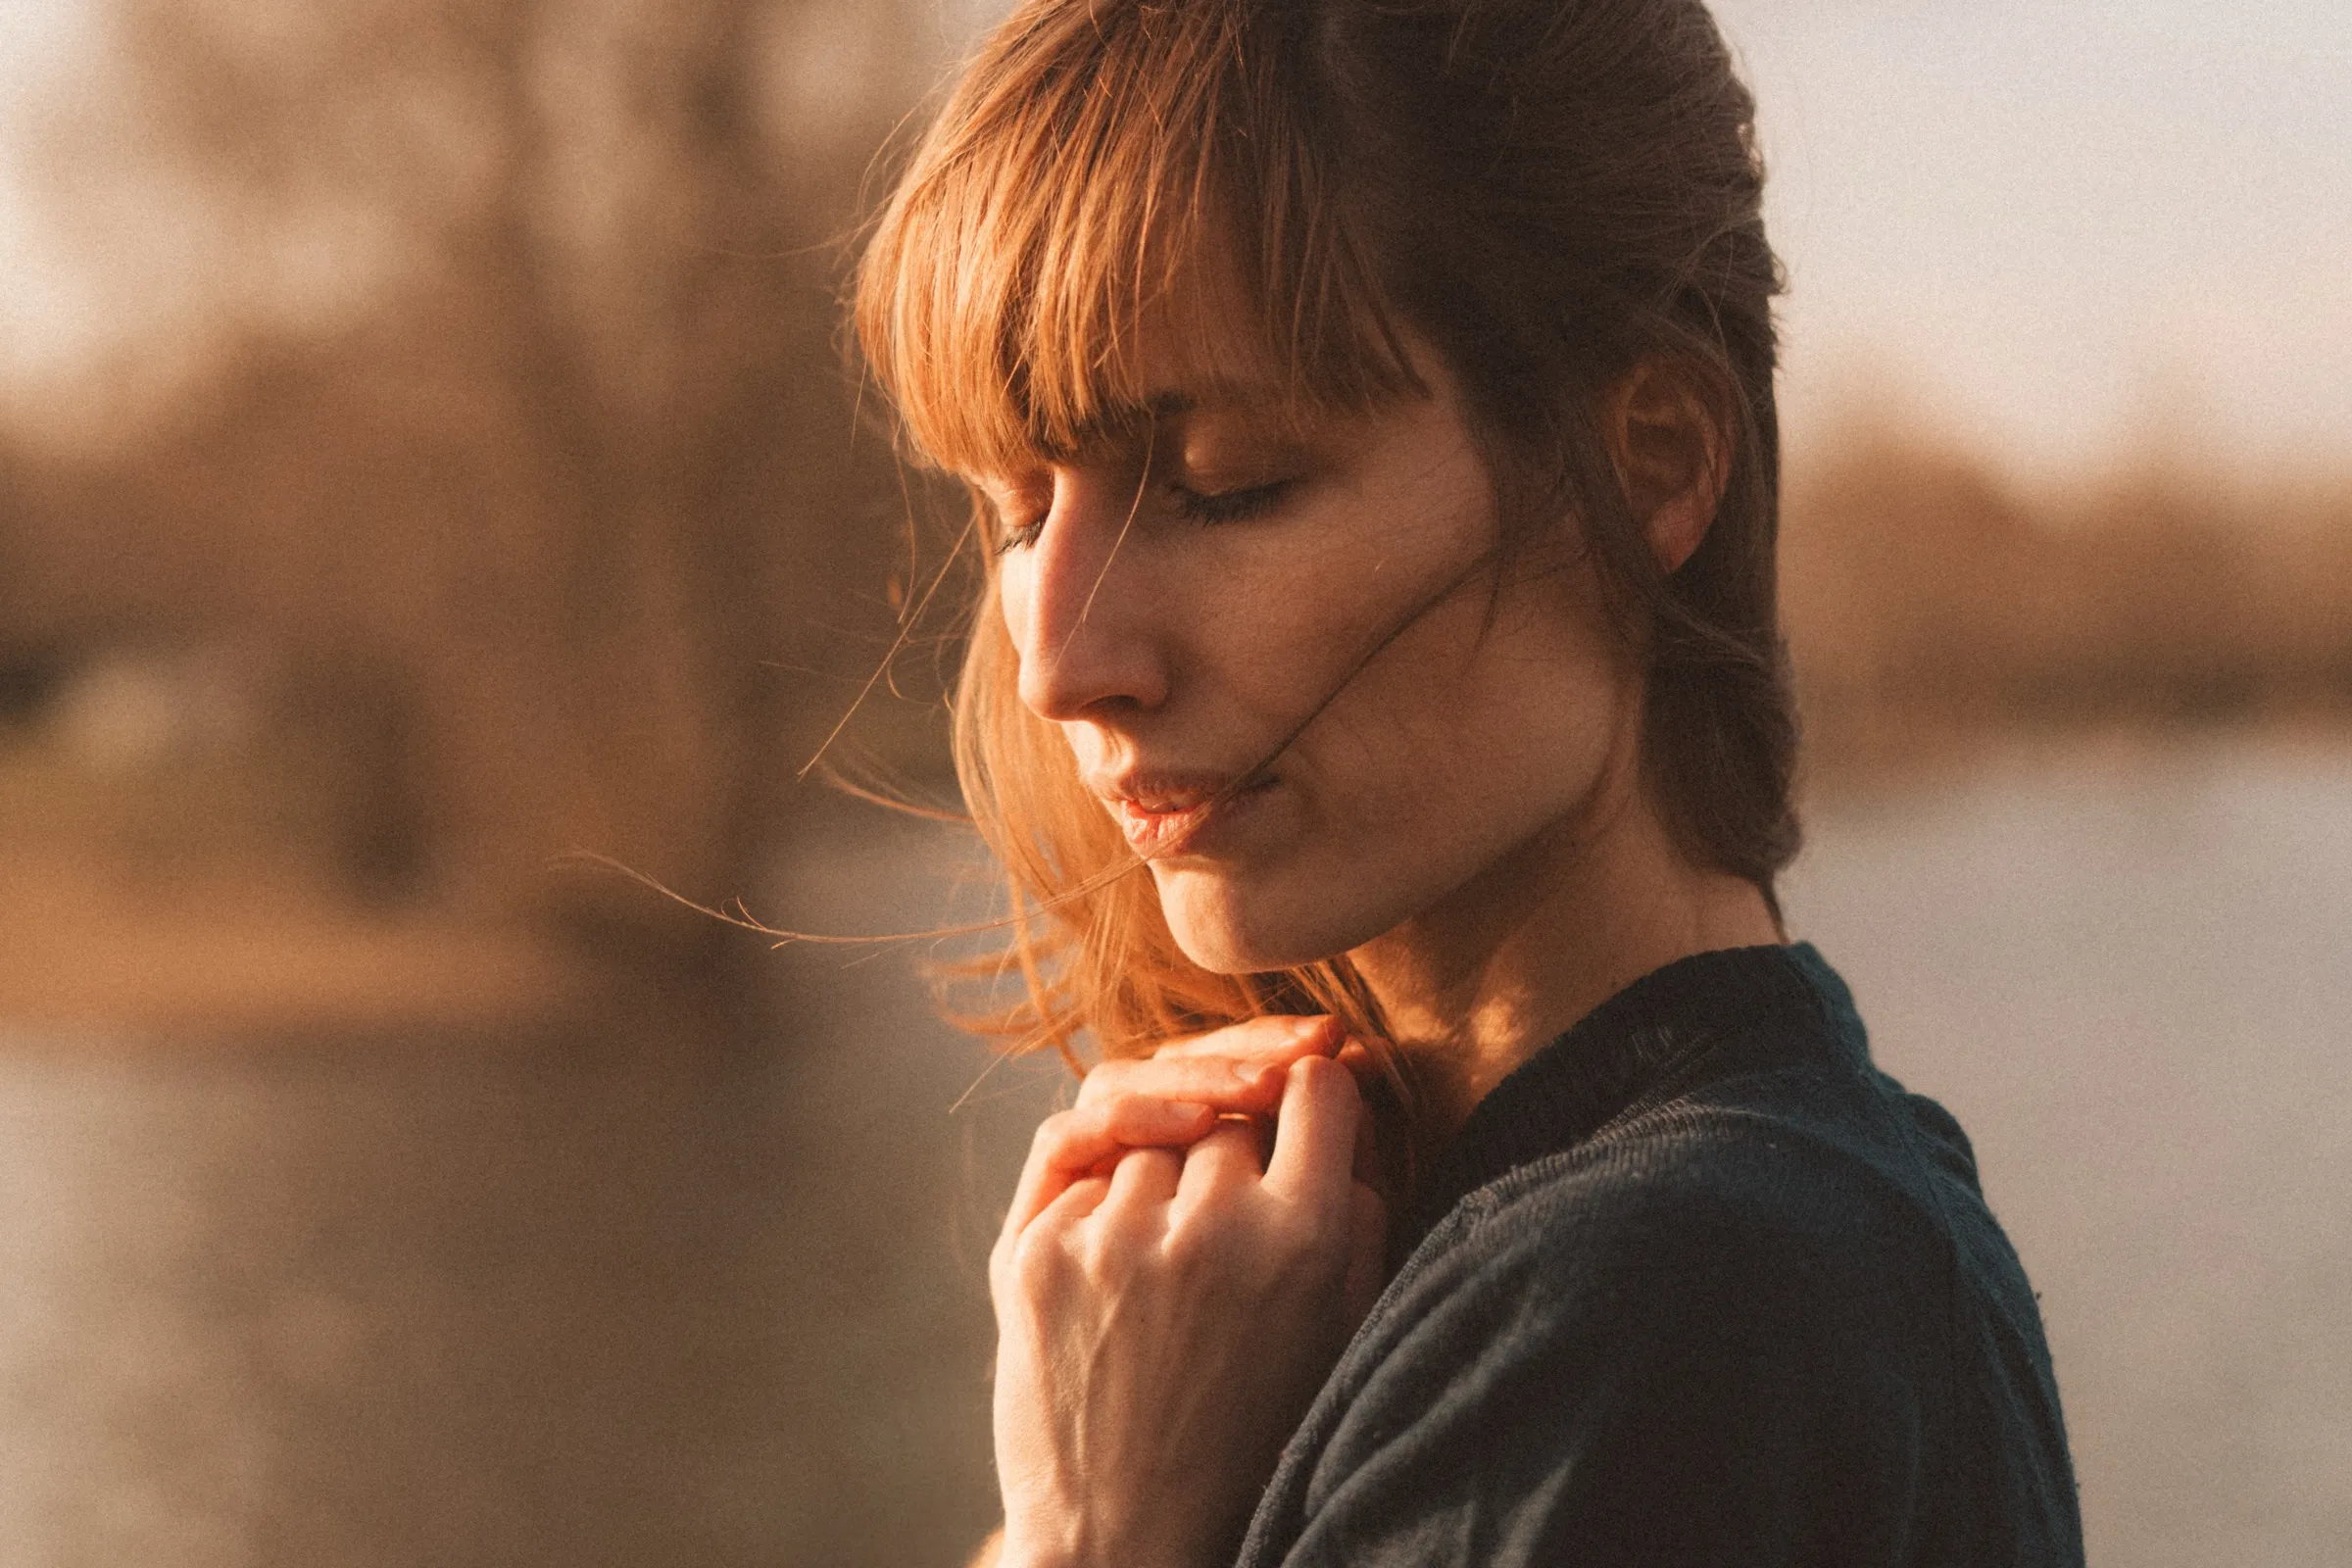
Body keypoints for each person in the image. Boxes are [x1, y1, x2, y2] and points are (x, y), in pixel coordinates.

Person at [850, 1, 2083, 1563]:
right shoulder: (1723, 1223)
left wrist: (1095, 1535)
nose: (1060, 666)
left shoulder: (1650, 1314)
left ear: (1652, 462)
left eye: (1229, 487)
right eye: (1020, 512)